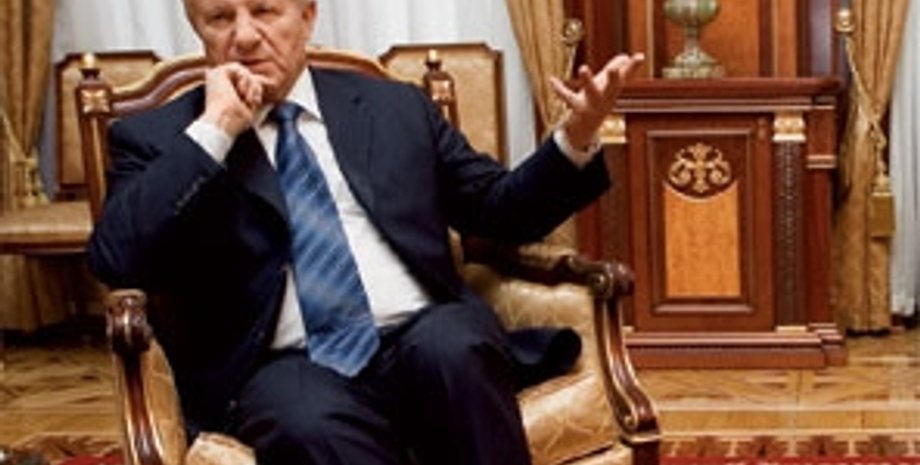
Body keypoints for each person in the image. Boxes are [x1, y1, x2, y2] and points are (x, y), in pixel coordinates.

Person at [87, 0, 644, 464]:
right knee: (306, 420)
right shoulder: (159, 138)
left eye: (265, 10)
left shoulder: (394, 107)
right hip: (285, 364)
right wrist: (216, 129)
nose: (246, 35)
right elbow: (116, 257)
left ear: (307, 15)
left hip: (422, 333)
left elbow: (500, 212)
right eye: (219, 18)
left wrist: (576, 137)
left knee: (454, 347)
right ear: (197, 29)